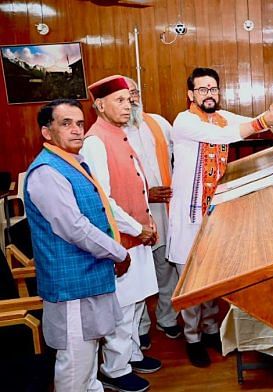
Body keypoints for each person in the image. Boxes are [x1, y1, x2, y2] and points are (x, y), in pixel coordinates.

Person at [168, 67, 273, 367]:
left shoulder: (221, 116)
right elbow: (225, 135)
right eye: (202, 89)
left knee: (213, 275)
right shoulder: (185, 121)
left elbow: (247, 124)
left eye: (213, 89)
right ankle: (193, 337)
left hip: (215, 209)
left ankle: (210, 329)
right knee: (191, 279)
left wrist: (271, 112)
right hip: (189, 212)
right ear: (190, 95)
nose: (209, 95)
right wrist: (263, 121)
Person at [24, 99, 130, 391]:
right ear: (47, 132)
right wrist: (118, 253)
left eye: (80, 123)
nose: (76, 130)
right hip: (71, 286)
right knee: (74, 366)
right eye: (66, 123)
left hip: (89, 278)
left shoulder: (74, 163)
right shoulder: (47, 172)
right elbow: (75, 228)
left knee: (88, 365)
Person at [80, 75, 161, 392]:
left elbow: (137, 187)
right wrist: (137, 228)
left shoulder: (119, 134)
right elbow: (104, 200)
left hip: (139, 235)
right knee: (123, 307)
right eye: (119, 100)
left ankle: (133, 355)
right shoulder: (96, 141)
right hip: (121, 240)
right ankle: (114, 368)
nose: (128, 106)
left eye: (129, 100)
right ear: (100, 105)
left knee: (138, 301)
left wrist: (147, 224)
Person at [123, 77, 183, 350]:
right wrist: (147, 193)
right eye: (125, 96)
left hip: (165, 208)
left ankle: (167, 318)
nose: (132, 100)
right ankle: (141, 326)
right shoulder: (109, 135)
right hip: (132, 214)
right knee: (136, 271)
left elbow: (178, 158)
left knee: (166, 266)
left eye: (135, 93)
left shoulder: (159, 122)